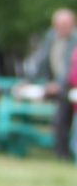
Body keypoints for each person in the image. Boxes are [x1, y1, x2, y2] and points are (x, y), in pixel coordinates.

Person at [26, 8, 76, 161]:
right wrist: (28, 81)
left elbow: (71, 67)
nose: (61, 29)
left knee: (62, 116)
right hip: (54, 85)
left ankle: (63, 154)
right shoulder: (51, 37)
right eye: (59, 25)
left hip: (70, 86)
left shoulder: (75, 40)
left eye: (65, 25)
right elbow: (41, 61)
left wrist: (60, 85)